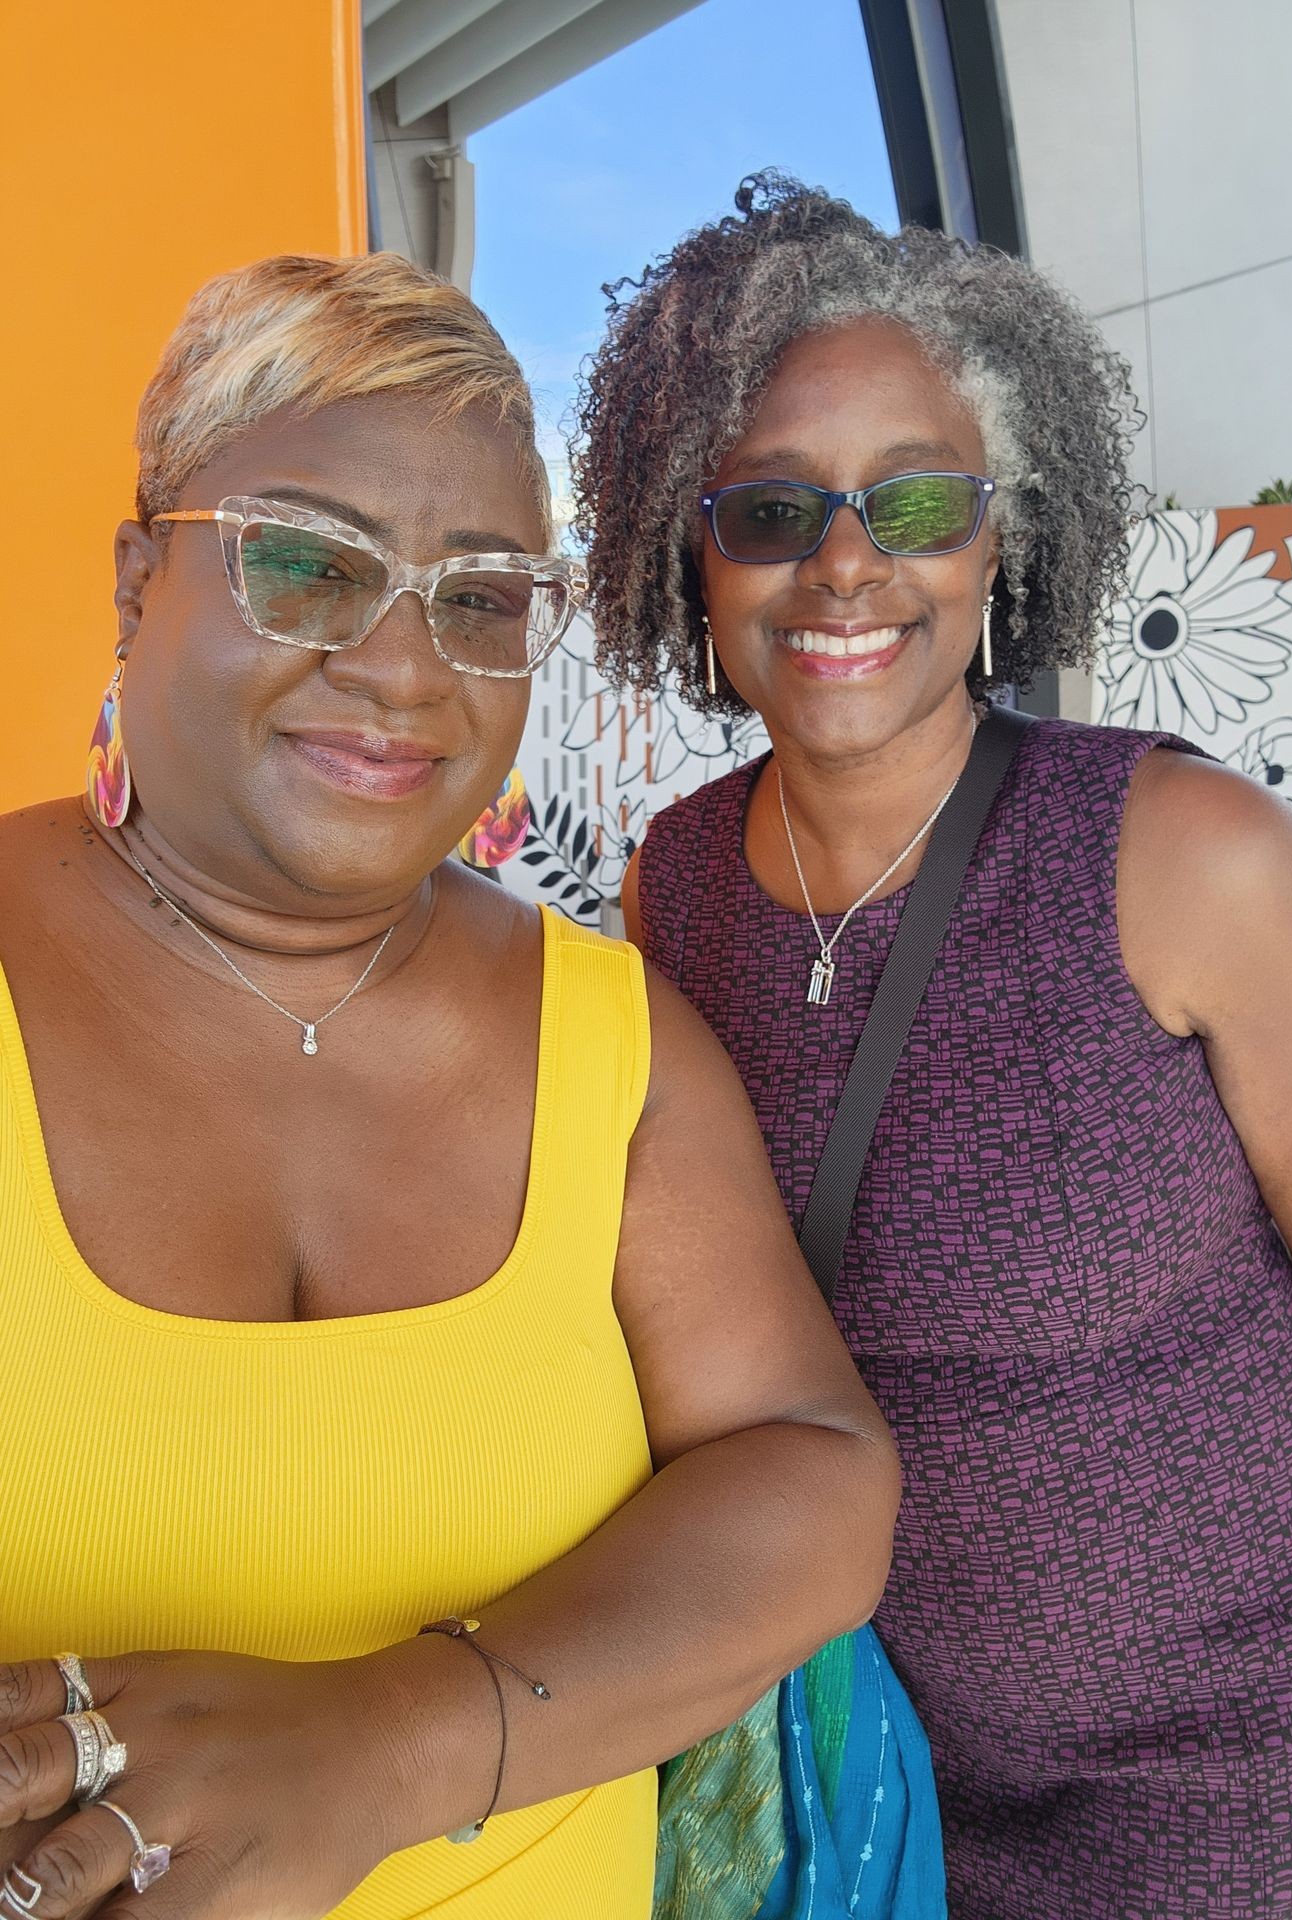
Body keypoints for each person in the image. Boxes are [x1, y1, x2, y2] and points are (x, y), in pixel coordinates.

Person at [574, 174, 1292, 1916]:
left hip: (1246, 1779)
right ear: (688, 543)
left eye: (914, 500)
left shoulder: (1191, 862)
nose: (844, 563)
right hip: (875, 1786)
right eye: (770, 507)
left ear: (1002, 533)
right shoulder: (677, 886)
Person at [0, 250, 900, 1920]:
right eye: (307, 564)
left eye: (482, 594)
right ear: (138, 578)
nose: (407, 668)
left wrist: (401, 1741)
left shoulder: (612, 1036)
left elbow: (811, 1460)